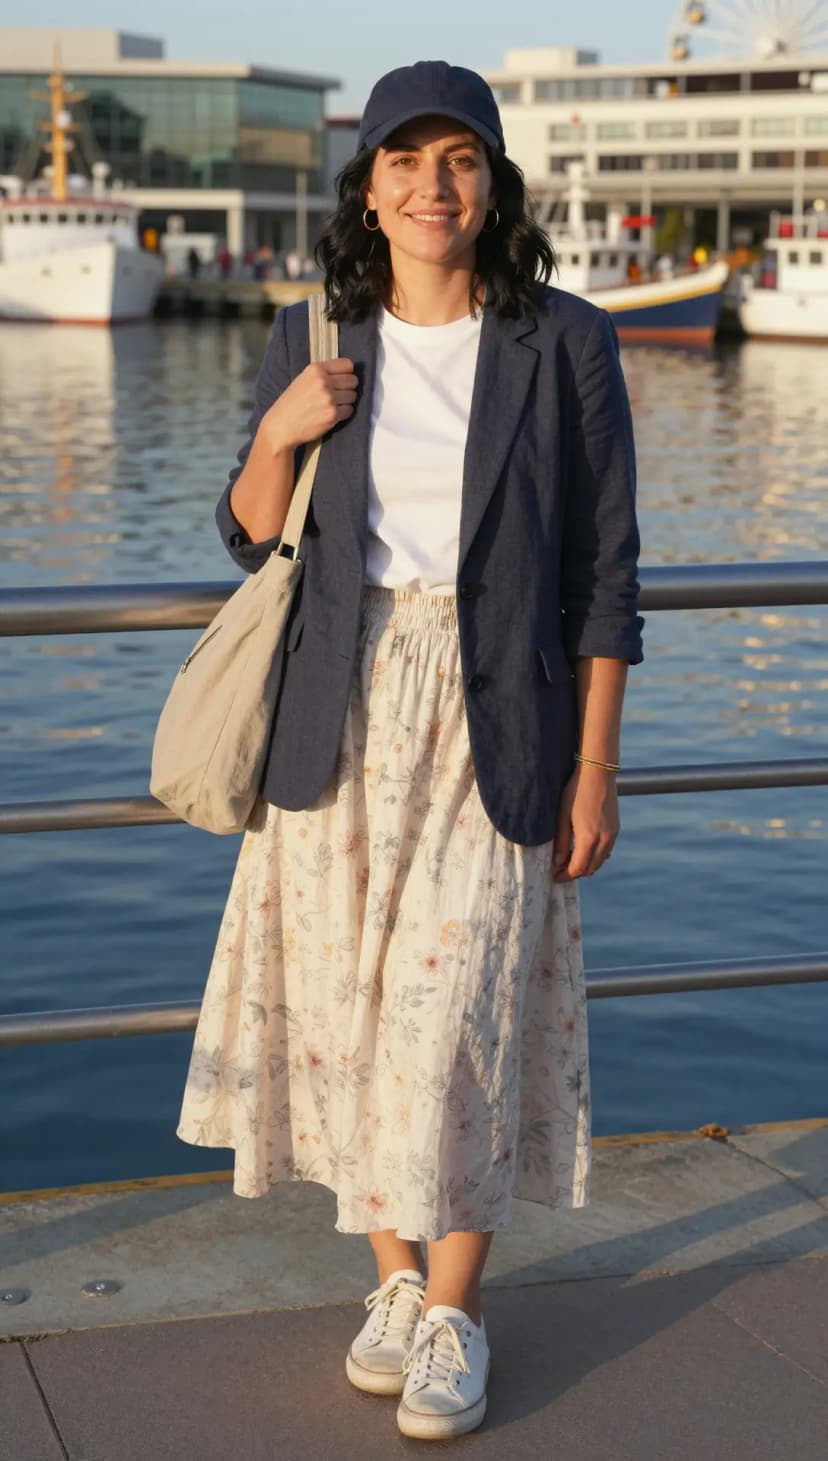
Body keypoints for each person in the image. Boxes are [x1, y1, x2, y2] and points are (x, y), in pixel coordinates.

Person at [176, 59, 644, 1441]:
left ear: (490, 186)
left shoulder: (564, 341)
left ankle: (455, 1313)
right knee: (358, 1020)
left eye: (459, 161)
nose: (432, 186)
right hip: (339, 708)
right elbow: (253, 528)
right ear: (367, 187)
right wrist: (282, 423)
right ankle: (389, 1285)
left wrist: (598, 764)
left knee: (453, 1020)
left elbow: (607, 571)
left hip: (499, 715)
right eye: (405, 160)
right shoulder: (315, 329)